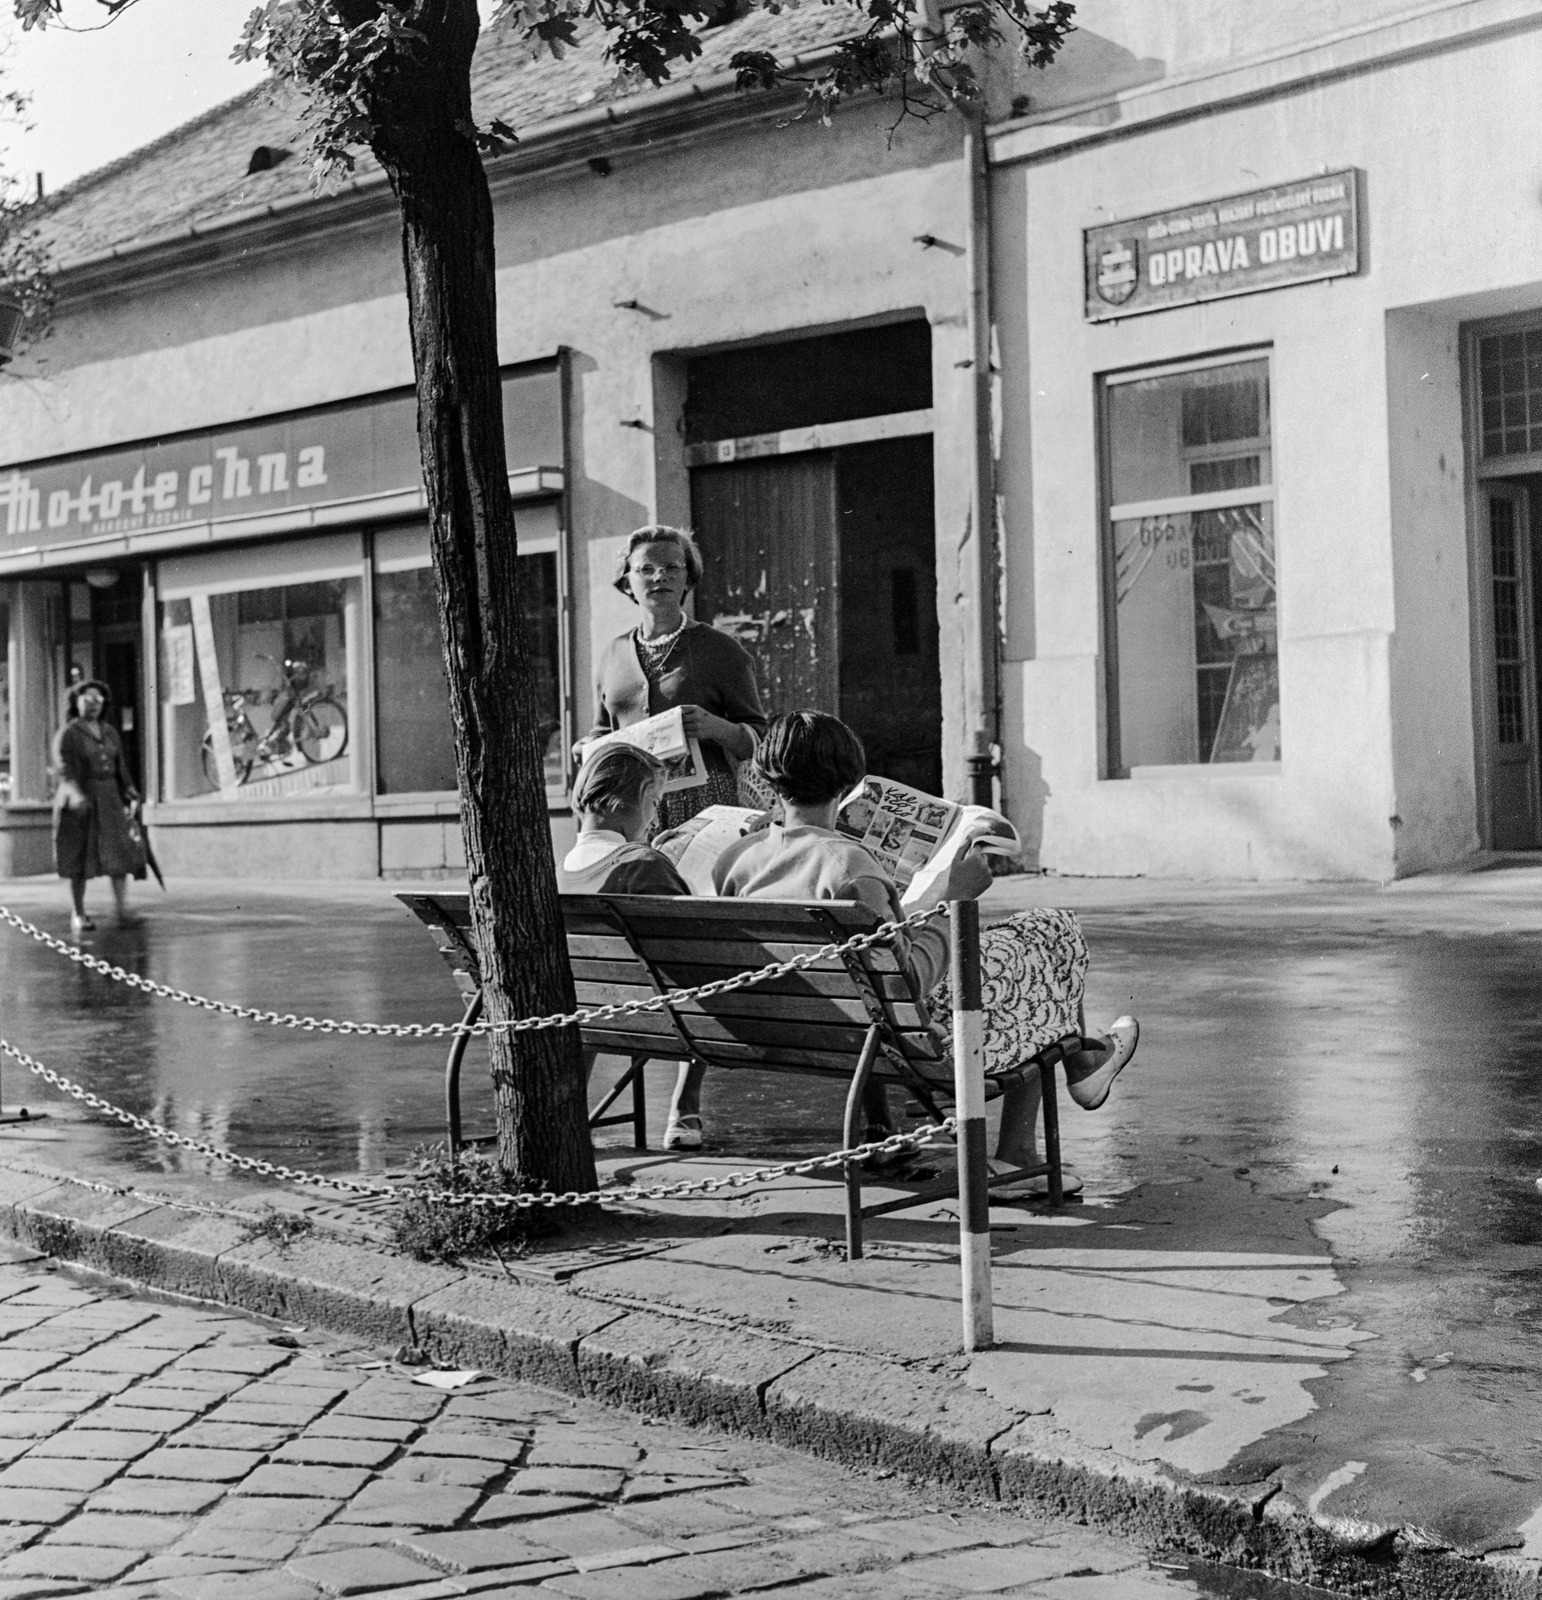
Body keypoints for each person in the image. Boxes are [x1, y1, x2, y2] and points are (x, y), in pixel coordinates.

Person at [713, 711, 1139, 1198]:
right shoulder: (851, 869)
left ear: (768, 775)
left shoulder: (736, 858)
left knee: (1029, 942)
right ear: (849, 784)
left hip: (793, 1025)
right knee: (1048, 934)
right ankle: (1042, 1120)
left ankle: (1084, 1062)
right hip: (897, 1038)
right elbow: (907, 980)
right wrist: (953, 902)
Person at [558, 742, 710, 1152]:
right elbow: (695, 953)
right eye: (655, 800)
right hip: (661, 1020)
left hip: (587, 1011)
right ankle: (684, 1108)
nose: (654, 813)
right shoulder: (643, 865)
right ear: (643, 796)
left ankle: (566, 1118)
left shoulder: (557, 872)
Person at [584, 526, 767, 831]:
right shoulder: (611, 655)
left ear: (688, 578)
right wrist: (586, 748)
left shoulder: (721, 650)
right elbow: (601, 731)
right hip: (630, 808)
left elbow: (760, 741)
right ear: (627, 582)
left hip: (704, 808)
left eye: (672, 567)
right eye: (646, 569)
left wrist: (715, 727)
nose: (660, 576)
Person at [52, 678, 143, 937]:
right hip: (81, 801)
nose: (93, 704)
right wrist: (75, 795)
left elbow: (120, 764)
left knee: (119, 853)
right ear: (76, 701)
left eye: (98, 699)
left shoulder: (110, 731)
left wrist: (129, 788)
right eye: (87, 699)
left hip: (110, 799)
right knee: (80, 858)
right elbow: (64, 770)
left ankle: (122, 909)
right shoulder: (69, 733)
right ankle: (78, 912)